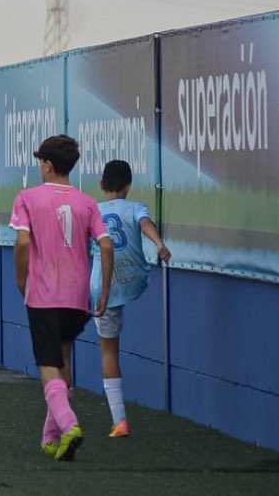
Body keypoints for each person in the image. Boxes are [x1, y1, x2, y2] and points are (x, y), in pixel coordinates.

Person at [11, 134, 113, 461]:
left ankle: (69, 425)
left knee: (47, 366)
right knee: (63, 359)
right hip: (77, 294)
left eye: (41, 161)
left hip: (43, 293)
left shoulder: (28, 197)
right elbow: (107, 246)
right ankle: (51, 438)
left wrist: (21, 277)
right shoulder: (87, 203)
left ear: (48, 165)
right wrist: (105, 289)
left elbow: (24, 242)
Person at [91, 159, 171, 438]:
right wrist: (159, 243)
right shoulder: (136, 207)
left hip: (104, 286)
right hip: (133, 277)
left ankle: (120, 420)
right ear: (128, 186)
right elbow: (145, 223)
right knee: (125, 290)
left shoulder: (93, 210)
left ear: (102, 185)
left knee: (109, 351)